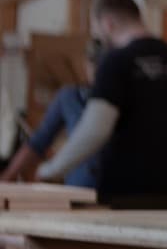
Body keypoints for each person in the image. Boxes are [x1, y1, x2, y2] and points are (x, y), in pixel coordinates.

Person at [36, 0, 167, 209]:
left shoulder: (116, 62)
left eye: (97, 31)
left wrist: (52, 170)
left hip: (126, 198)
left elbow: (95, 129)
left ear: (108, 24)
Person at [0, 39, 104, 187]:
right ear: (86, 65)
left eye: (102, 62)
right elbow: (38, 141)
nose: (97, 69)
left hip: (122, 191)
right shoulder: (70, 97)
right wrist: (8, 177)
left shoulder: (128, 98)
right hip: (81, 189)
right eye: (93, 63)